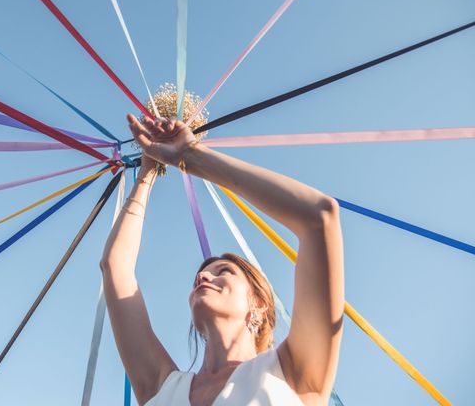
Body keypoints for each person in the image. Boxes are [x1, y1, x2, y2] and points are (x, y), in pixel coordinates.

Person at [100, 113, 344, 406]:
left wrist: (189, 156)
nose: (203, 277)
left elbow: (320, 216)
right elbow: (115, 267)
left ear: (258, 303)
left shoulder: (292, 372)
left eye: (223, 272)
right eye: (201, 277)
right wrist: (149, 169)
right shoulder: (160, 387)